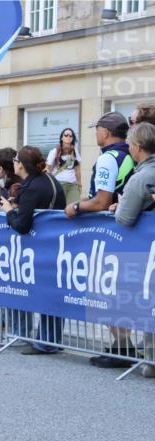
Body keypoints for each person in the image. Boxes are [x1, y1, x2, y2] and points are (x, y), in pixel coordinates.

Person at [67, 111, 136, 367]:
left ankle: (122, 349)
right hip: (125, 229)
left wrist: (76, 207)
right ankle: (121, 346)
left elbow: (102, 200)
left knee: (109, 290)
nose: (95, 133)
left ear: (106, 132)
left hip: (110, 233)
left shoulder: (109, 157)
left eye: (97, 129)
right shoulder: (130, 152)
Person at [0, 146, 66, 355]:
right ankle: (48, 340)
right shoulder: (48, 179)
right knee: (51, 292)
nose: (13, 162)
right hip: (54, 243)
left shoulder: (32, 186)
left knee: (47, 292)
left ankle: (46, 342)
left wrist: (8, 210)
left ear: (21, 164)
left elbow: (21, 225)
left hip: (40, 247)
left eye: (16, 159)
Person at [109, 121, 155, 376]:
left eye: (129, 145)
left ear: (137, 147)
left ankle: (151, 362)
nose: (128, 148)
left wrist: (120, 206)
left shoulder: (142, 176)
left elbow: (125, 219)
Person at [46, 128, 82, 203]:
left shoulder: (75, 151)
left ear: (72, 138)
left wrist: (79, 184)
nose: (68, 137)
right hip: (58, 184)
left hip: (72, 185)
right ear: (62, 137)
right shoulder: (55, 151)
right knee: (59, 209)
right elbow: (47, 169)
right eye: (66, 135)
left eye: (70, 135)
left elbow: (77, 169)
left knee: (74, 207)